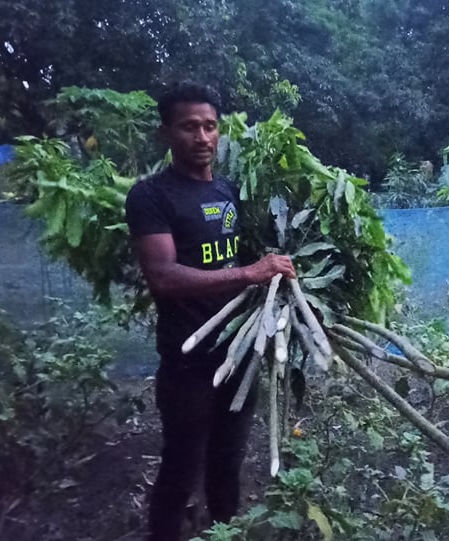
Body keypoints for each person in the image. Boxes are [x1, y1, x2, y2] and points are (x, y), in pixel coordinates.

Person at [125, 81, 295, 541]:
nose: (202, 137)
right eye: (189, 127)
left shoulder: (228, 190)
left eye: (210, 126)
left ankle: (224, 533)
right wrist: (250, 273)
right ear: (165, 134)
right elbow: (163, 276)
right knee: (181, 467)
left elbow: (239, 259)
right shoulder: (151, 196)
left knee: (227, 463)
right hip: (189, 362)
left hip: (238, 354)